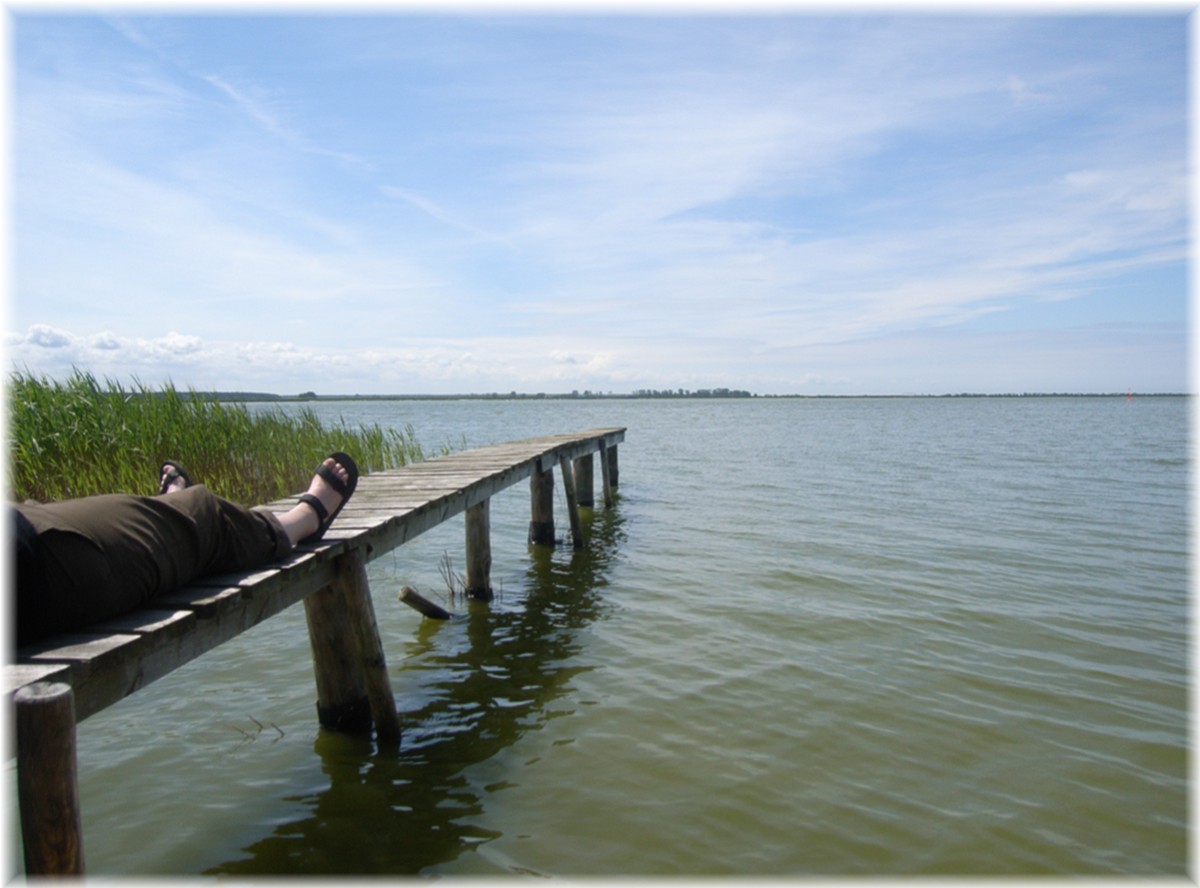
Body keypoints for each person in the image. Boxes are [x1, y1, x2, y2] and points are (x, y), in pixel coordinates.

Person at [13, 452, 359, 646]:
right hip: (32, 561)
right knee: (205, 517)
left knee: (59, 512)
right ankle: (303, 519)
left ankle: (169, 503)